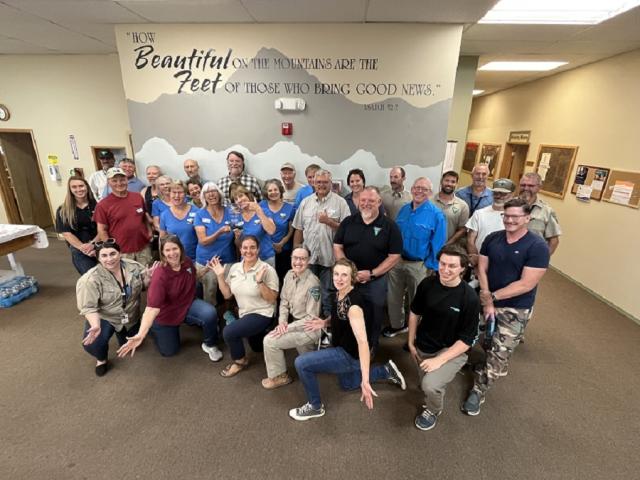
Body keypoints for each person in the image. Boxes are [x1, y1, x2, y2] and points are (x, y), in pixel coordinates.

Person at [461, 198, 550, 416]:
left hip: (515, 307)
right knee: (478, 337)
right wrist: (485, 295)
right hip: (486, 297)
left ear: (527, 218)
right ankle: (482, 360)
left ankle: (479, 390)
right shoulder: (493, 239)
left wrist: (492, 298)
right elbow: (482, 268)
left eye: (515, 217)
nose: (509, 220)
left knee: (500, 354)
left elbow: (526, 283)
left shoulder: (537, 246)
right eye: (506, 216)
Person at [288, 258, 406, 421]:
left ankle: (315, 406)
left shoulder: (354, 307)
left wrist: (365, 381)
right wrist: (325, 322)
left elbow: (363, 343)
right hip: (343, 346)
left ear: (352, 277)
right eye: (336, 274)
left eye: (344, 275)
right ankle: (385, 371)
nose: (339, 278)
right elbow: (338, 315)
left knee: (301, 363)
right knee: (347, 384)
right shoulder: (340, 292)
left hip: (350, 354)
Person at [407, 245, 480, 431]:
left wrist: (440, 360)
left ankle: (433, 410)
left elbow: (467, 340)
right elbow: (415, 312)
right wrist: (410, 341)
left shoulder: (469, 298)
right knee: (425, 381)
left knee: (430, 385)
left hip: (453, 349)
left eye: (452, 266)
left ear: (463, 268)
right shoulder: (427, 284)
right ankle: (434, 386)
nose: (446, 270)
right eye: (442, 263)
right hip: (424, 343)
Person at [117, 235, 223, 361]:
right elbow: (151, 309)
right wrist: (141, 334)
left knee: (210, 313)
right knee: (170, 351)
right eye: (167, 250)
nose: (172, 253)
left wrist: (207, 268)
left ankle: (209, 344)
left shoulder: (187, 262)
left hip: (187, 304)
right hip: (166, 314)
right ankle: (152, 328)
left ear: (181, 249)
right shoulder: (160, 275)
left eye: (175, 248)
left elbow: (193, 276)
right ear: (162, 252)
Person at [334, 186, 402, 348]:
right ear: (358, 201)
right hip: (349, 280)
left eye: (371, 200)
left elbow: (395, 256)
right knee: (345, 311)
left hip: (375, 281)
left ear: (379, 202)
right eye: (363, 200)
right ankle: (347, 346)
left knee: (373, 315)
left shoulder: (390, 226)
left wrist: (372, 274)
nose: (366, 203)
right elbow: (337, 246)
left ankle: (370, 346)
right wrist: (348, 271)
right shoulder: (348, 222)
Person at [76, 239, 155, 376]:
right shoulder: (89, 280)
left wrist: (149, 278)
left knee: (130, 343)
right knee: (92, 344)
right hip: (107, 317)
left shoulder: (134, 267)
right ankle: (101, 359)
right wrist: (95, 325)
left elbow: (142, 286)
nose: (109, 259)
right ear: (98, 257)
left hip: (130, 314)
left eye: (113, 254)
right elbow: (89, 308)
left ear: (120, 253)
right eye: (104, 256)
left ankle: (122, 333)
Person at [384, 177, 446, 338]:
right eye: (417, 187)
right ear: (411, 189)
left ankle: (415, 334)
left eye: (424, 189)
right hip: (397, 261)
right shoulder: (404, 209)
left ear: (430, 193)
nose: (419, 191)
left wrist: (431, 267)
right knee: (393, 297)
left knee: (417, 301)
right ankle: (397, 325)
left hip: (419, 265)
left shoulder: (436, 215)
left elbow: (438, 244)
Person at [210, 235, 279, 378]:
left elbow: (272, 299)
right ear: (240, 250)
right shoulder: (235, 268)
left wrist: (260, 282)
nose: (249, 251)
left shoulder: (267, 269)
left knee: (229, 332)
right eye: (245, 248)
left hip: (263, 313)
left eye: (252, 247)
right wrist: (220, 276)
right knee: (257, 347)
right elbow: (228, 295)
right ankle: (261, 338)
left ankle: (240, 361)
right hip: (245, 314)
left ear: (258, 249)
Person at [292, 169, 351, 318]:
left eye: (325, 182)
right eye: (318, 182)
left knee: (327, 294)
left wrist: (329, 222)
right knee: (310, 293)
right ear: (313, 183)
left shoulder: (340, 203)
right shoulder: (306, 202)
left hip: (330, 259)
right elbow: (299, 228)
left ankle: (329, 327)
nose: (321, 185)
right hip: (309, 259)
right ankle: (311, 323)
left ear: (330, 183)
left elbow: (347, 229)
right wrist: (296, 253)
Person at [262, 247, 321, 389]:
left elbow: (311, 318)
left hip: (308, 328)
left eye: (303, 258)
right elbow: (284, 302)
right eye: (295, 258)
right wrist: (282, 322)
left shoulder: (313, 283)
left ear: (309, 261)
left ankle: (280, 377)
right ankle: (281, 375)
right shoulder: (289, 275)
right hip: (294, 323)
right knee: (302, 358)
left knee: (269, 341)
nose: (298, 262)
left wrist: (286, 327)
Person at [94, 167, 152, 266]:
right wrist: (111, 250)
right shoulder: (103, 205)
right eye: (114, 180)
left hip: (143, 248)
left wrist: (149, 232)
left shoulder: (137, 197)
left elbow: (144, 217)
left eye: (122, 179)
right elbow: (102, 230)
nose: (119, 183)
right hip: (122, 252)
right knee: (127, 279)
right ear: (109, 182)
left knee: (146, 277)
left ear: (126, 180)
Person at [194, 182, 236, 306]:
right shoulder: (200, 214)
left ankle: (229, 314)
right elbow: (203, 241)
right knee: (210, 292)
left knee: (230, 290)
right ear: (203, 197)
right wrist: (220, 231)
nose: (211, 194)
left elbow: (237, 230)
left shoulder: (230, 211)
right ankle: (211, 318)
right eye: (207, 192)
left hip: (228, 259)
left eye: (214, 191)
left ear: (219, 194)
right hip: (207, 261)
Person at [466, 178, 515, 269]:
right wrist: (477, 263)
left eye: (503, 193)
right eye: (496, 193)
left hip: (502, 265)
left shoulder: (515, 218)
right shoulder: (479, 213)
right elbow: (470, 240)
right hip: (478, 264)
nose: (499, 196)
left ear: (512, 194)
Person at [56, 176, 99, 274]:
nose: (79, 189)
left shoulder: (97, 206)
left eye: (81, 186)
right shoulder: (63, 210)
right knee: (91, 277)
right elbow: (67, 233)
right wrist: (85, 248)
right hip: (79, 248)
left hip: (99, 243)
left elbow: (103, 228)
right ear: (70, 190)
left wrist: (93, 244)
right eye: (74, 187)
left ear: (87, 187)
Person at [231, 186, 277, 267]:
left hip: (265, 258)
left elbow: (271, 231)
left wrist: (258, 211)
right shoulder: (237, 217)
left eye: (241, 196)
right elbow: (238, 244)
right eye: (236, 199)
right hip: (247, 259)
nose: (239, 200)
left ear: (248, 196)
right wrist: (238, 237)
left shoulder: (263, 210)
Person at [260, 179, 295, 282]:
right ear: (266, 193)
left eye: (275, 189)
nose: (273, 192)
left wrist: (282, 242)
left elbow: (291, 228)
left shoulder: (290, 208)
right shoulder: (260, 206)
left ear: (280, 190)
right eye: (270, 190)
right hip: (264, 251)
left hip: (283, 250)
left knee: (281, 280)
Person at [518, 172, 562, 255]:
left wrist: (543, 260)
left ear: (539, 188)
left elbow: (554, 241)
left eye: (531, 186)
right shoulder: (509, 205)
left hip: (532, 257)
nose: (526, 188)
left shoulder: (547, 211)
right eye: (523, 185)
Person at [159, 181, 198, 261]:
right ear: (169, 194)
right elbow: (162, 240)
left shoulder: (196, 211)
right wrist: (163, 259)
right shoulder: (164, 215)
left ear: (185, 194)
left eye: (180, 192)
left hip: (195, 259)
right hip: (174, 260)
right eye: (174, 192)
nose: (177, 196)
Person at [433, 170, 470, 247]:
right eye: (447, 180)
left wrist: (447, 244)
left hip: (448, 248)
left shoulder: (462, 206)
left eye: (453, 182)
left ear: (456, 184)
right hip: (427, 246)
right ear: (441, 181)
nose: (449, 184)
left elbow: (462, 229)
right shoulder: (429, 201)